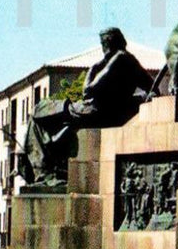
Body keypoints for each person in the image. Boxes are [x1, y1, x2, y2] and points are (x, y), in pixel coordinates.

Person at [22, 28, 153, 183]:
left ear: (108, 43)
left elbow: (88, 91)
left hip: (93, 110)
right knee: (40, 120)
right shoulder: (131, 60)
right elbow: (151, 85)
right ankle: (44, 170)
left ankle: (43, 173)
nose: (102, 48)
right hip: (102, 111)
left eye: (103, 44)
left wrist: (94, 68)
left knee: (38, 112)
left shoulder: (119, 58)